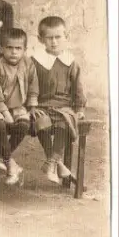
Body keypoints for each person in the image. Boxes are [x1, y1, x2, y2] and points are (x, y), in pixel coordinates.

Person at [31, 16, 86, 184]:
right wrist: (32, 105)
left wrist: (80, 108)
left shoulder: (71, 62)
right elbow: (30, 85)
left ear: (66, 36)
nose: (54, 42)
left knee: (64, 124)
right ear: (41, 39)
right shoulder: (35, 61)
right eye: (49, 37)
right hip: (42, 105)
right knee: (41, 122)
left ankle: (51, 162)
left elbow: (78, 87)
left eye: (58, 37)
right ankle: (56, 162)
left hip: (64, 106)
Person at [0, 28, 39, 186]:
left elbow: (33, 87)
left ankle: (2, 157)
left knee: (23, 125)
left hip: (17, 106)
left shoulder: (28, 64)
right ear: (1, 49)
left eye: (18, 48)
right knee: (0, 124)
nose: (14, 52)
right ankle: (10, 163)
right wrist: (5, 113)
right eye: (9, 48)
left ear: (24, 50)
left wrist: (32, 107)